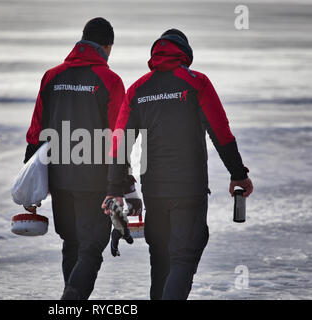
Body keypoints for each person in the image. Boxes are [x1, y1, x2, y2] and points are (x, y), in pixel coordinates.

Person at [102, 29, 253, 300]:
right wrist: (238, 175)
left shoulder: (138, 89)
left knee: (160, 261)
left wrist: (114, 189)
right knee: (184, 256)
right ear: (185, 54)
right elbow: (221, 132)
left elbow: (120, 143)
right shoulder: (197, 83)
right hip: (189, 190)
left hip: (155, 191)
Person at [24, 17, 141, 300]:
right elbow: (118, 136)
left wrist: (30, 180)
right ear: (107, 47)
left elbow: (36, 130)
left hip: (59, 178)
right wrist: (124, 182)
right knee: (91, 247)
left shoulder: (52, 76)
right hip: (95, 180)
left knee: (72, 243)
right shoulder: (110, 80)